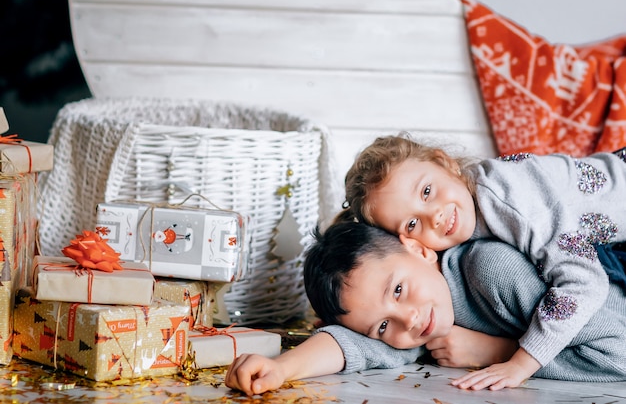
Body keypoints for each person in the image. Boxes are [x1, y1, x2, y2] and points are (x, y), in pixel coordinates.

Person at [334, 134, 626, 389]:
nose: (433, 216)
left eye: (426, 192)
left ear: (444, 162)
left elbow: (584, 280)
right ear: (408, 242)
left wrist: (520, 363)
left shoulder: (510, 199)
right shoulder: (458, 234)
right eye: (412, 223)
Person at [225, 222, 626, 395]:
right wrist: (282, 368)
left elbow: (619, 355)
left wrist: (496, 352)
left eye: (398, 289)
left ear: (420, 250)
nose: (409, 320)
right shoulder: (421, 326)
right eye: (382, 325)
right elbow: (351, 344)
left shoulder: (492, 271)